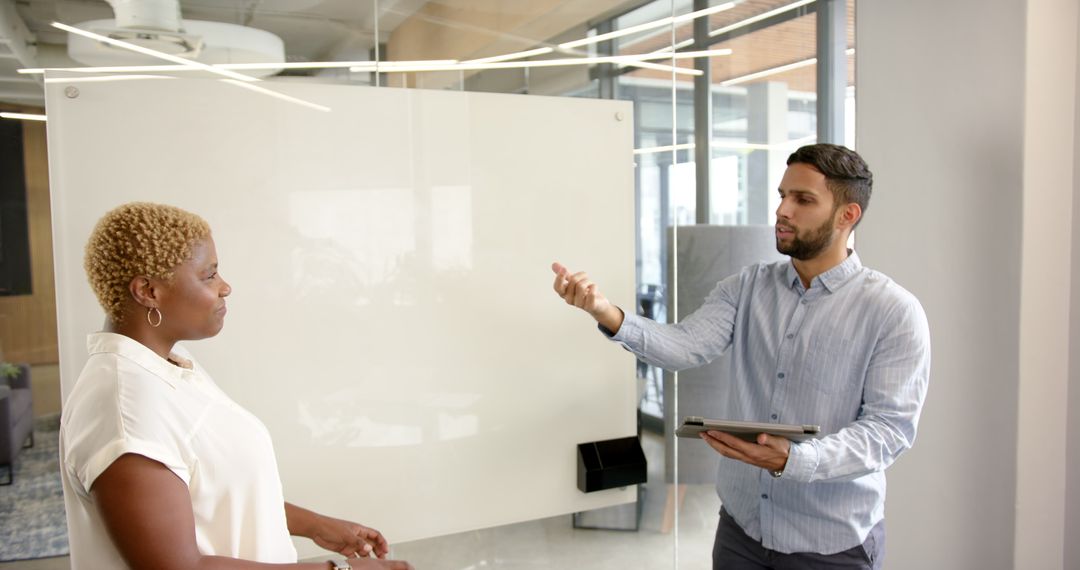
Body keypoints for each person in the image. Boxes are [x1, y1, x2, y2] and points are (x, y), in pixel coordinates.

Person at [552, 144, 930, 569]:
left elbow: (888, 431)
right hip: (741, 533)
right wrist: (606, 312)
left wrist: (796, 459)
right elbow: (684, 345)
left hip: (831, 545)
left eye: (803, 200)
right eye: (782, 195)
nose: (783, 210)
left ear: (848, 215)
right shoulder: (747, 285)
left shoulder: (893, 312)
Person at [60, 202, 413, 570]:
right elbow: (180, 568)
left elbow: (212, 490)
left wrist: (315, 526)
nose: (225, 287)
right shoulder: (127, 411)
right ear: (148, 291)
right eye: (209, 274)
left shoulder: (170, 366)